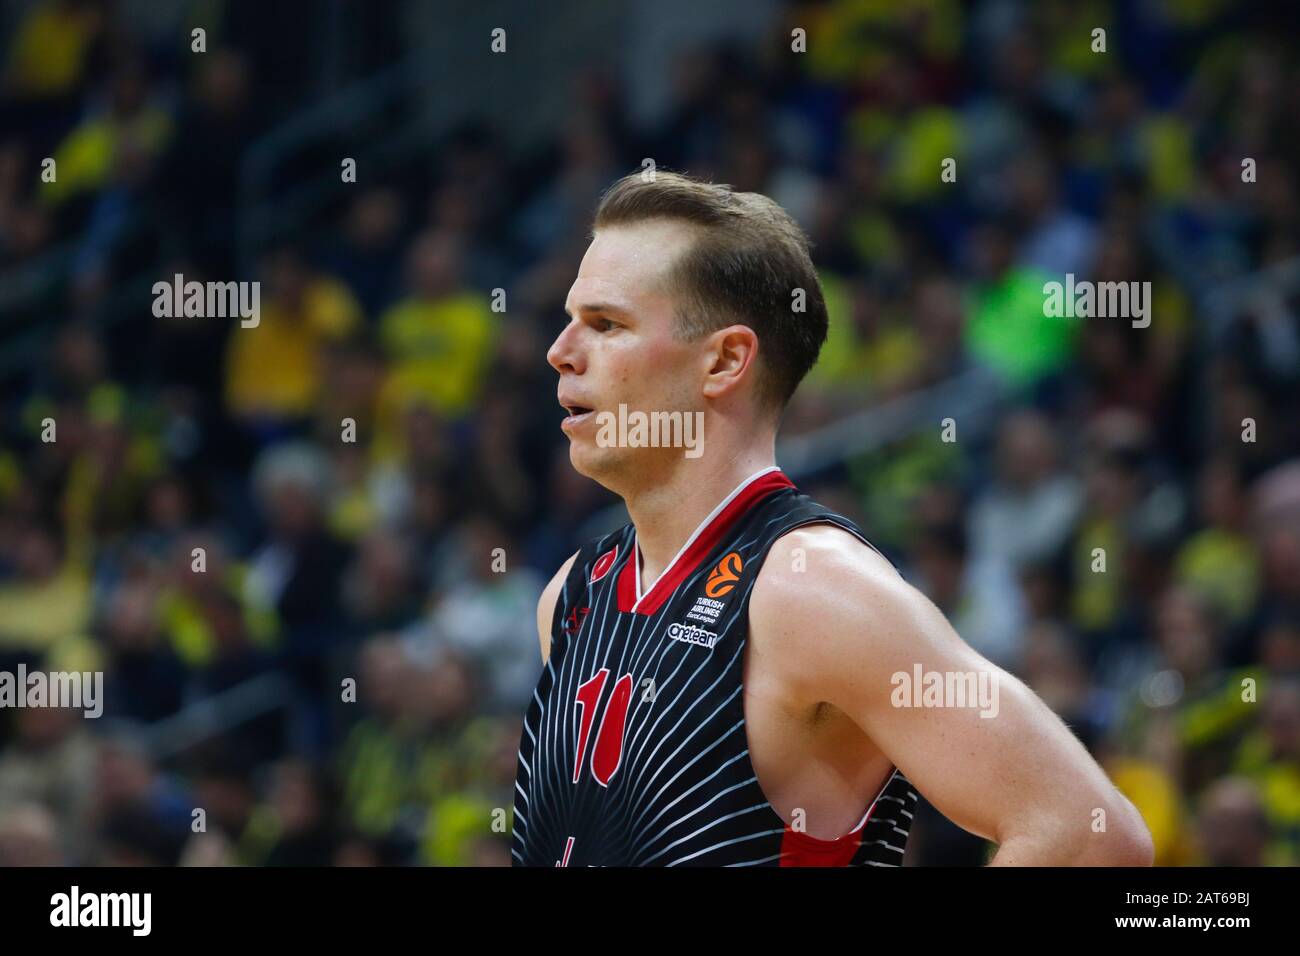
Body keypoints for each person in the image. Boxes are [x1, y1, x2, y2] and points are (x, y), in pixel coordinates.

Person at [511, 171, 1152, 867]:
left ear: (725, 360)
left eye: (606, 324)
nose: (561, 351)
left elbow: (1089, 833)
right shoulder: (573, 594)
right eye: (571, 319)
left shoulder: (813, 592)